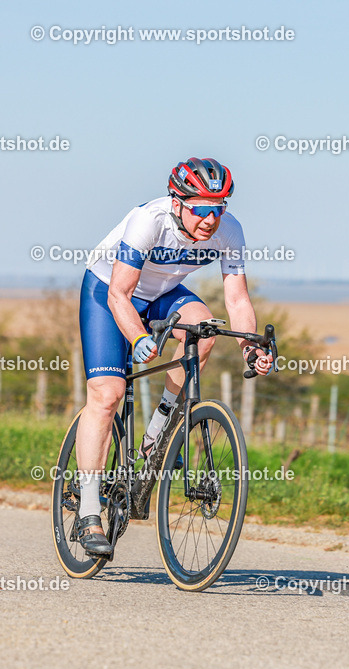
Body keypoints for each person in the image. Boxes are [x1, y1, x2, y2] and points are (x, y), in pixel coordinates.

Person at [74, 157, 273, 555]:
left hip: (164, 294)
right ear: (177, 202)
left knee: (205, 329)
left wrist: (251, 347)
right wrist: (137, 338)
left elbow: (236, 298)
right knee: (108, 394)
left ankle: (155, 438)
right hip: (108, 291)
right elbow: (120, 294)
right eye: (201, 208)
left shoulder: (229, 232)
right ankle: (89, 510)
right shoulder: (149, 221)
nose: (210, 219)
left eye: (219, 208)